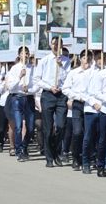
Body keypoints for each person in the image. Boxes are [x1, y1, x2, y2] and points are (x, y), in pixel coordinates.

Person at [36, 37, 70, 168]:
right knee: (48, 128)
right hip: (48, 95)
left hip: (61, 96)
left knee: (61, 126)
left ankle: (56, 152)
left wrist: (61, 66)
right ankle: (49, 157)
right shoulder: (44, 60)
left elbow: (68, 78)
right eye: (54, 44)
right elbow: (37, 79)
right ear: (50, 45)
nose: (56, 46)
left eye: (58, 44)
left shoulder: (66, 61)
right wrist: (50, 87)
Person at [6, 47, 38, 161]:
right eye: (23, 53)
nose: (26, 55)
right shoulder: (14, 69)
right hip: (17, 99)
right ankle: (18, 150)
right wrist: (20, 77)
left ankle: (24, 146)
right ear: (19, 55)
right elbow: (10, 87)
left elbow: (37, 85)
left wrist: (28, 89)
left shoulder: (33, 68)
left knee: (30, 127)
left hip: (28, 98)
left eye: (27, 53)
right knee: (18, 127)